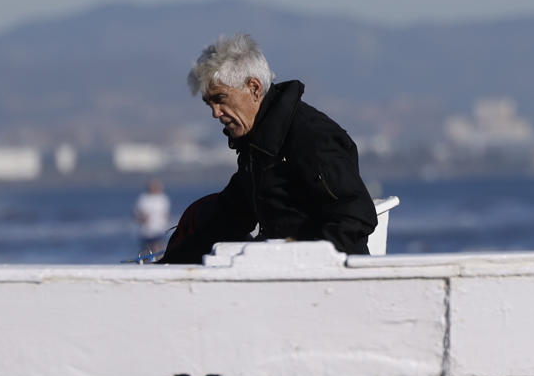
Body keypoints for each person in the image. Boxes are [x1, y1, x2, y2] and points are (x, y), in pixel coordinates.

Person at [161, 33, 377, 263]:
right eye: (209, 104)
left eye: (220, 99)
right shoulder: (257, 146)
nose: (215, 112)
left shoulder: (311, 136)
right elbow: (231, 215)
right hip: (283, 275)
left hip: (322, 282)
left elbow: (355, 215)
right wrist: (168, 266)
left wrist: (303, 263)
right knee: (203, 214)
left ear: (254, 87)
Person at [133, 179, 173, 258]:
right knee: (146, 251)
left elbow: (167, 213)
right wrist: (142, 219)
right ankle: (147, 265)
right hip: (146, 231)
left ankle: (159, 264)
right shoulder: (143, 198)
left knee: (158, 248)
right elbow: (135, 213)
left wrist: (167, 220)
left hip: (159, 229)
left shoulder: (163, 198)